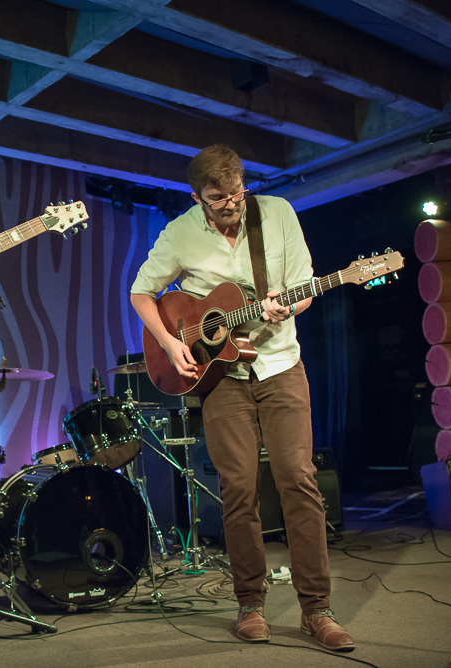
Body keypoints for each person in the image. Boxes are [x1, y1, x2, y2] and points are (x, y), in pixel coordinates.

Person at [130, 144, 355, 651]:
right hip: (222, 378)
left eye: (236, 194)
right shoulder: (181, 231)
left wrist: (283, 306)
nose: (231, 205)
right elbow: (142, 292)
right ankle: (250, 604)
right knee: (238, 490)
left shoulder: (277, 214)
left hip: (280, 366)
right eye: (218, 199)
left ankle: (316, 610)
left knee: (299, 482)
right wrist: (170, 343)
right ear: (197, 197)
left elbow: (304, 285)